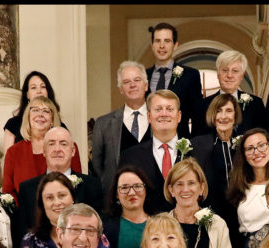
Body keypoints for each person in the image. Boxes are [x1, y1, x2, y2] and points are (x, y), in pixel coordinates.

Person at [121, 90, 210, 215]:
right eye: (158, 109)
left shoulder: (200, 153)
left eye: (169, 109)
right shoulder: (130, 156)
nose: (164, 114)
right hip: (147, 229)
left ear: (179, 116)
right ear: (149, 116)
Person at [16, 127, 104, 248]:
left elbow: (98, 230)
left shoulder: (92, 185)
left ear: (73, 151)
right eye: (51, 144)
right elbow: (22, 235)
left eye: (63, 144)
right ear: (44, 151)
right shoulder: (27, 188)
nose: (57, 149)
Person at [19, 172, 114, 248]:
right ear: (42, 204)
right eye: (50, 198)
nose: (57, 202)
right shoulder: (31, 240)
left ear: (72, 199)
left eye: (62, 196)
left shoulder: (94, 235)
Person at [90, 61, 151, 194]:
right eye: (126, 82)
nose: (133, 85)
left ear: (146, 85)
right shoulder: (103, 124)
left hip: (155, 199)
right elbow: (97, 165)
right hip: (117, 201)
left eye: (137, 80)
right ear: (121, 89)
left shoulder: (159, 119)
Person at [2, 96, 82, 197]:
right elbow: (8, 192)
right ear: (28, 117)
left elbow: (78, 185)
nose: (40, 114)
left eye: (46, 111)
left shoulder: (69, 147)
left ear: (52, 120)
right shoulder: (13, 152)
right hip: (24, 211)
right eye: (35, 110)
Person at [145, 22, 203, 136]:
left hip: (180, 144)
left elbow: (198, 116)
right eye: (157, 41)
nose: (162, 46)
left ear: (175, 45)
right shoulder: (143, 76)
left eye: (167, 41)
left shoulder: (190, 75)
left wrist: (194, 145)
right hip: (146, 145)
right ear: (152, 45)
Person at [192, 50, 266, 137]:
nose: (229, 75)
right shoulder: (202, 106)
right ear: (218, 74)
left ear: (242, 75)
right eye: (225, 70)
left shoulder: (256, 104)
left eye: (235, 71)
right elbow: (197, 141)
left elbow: (264, 137)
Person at [192, 92, 241, 219]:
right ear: (213, 116)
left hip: (242, 213)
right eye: (219, 111)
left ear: (235, 116)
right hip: (211, 214)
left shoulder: (245, 144)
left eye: (229, 111)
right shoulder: (198, 146)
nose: (223, 116)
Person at [102, 164, 154, 248]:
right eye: (124, 188)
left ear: (145, 189)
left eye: (137, 186)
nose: (131, 192)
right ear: (116, 194)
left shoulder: (160, 223)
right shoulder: (107, 228)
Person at [3, 71, 68, 153]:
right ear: (27, 95)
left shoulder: (60, 127)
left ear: (48, 92)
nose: (39, 91)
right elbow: (8, 160)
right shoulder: (13, 124)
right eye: (33, 87)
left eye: (43, 87)